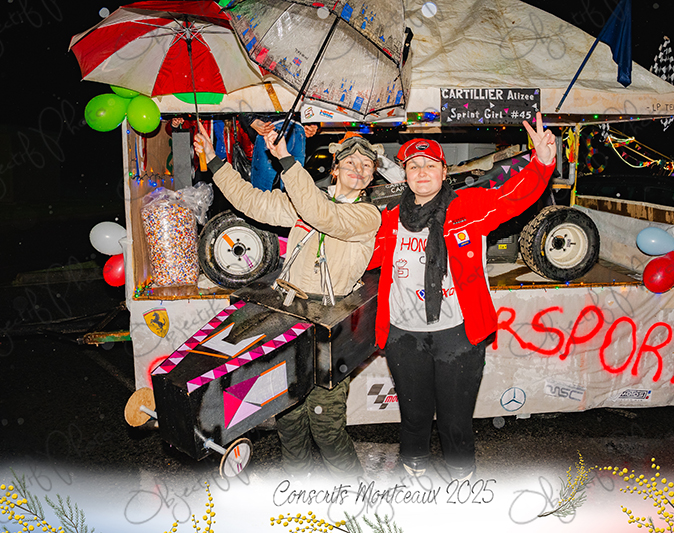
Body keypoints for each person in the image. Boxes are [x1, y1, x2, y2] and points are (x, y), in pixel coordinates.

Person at [367, 112, 557, 480]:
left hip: (458, 333)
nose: (422, 172)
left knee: (455, 420)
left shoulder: (468, 206)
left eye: (430, 165)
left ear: (444, 171)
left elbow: (513, 198)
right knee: (414, 416)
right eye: (414, 166)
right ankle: (414, 475)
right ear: (405, 175)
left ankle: (461, 482)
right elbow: (362, 256)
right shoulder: (388, 218)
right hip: (404, 335)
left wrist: (542, 162)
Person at [194, 124, 383, 479]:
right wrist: (215, 161)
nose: (358, 169)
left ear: (372, 177)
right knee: (289, 418)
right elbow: (250, 201)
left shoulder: (367, 215)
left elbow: (323, 215)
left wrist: (286, 158)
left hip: (331, 323)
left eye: (367, 166)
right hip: (289, 315)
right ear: (336, 169)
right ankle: (299, 492)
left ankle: (356, 497)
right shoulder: (303, 202)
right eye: (351, 162)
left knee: (325, 426)